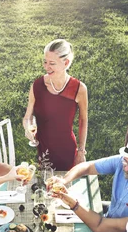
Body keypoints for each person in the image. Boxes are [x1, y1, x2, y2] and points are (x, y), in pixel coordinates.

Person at [62, 133, 128, 218]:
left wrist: (76, 206)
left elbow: (113, 228)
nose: (126, 168)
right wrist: (63, 181)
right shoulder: (122, 160)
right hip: (108, 216)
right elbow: (87, 167)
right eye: (125, 162)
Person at [23, 38, 88, 170]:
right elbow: (28, 117)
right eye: (45, 62)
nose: (46, 67)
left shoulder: (79, 88)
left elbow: (83, 120)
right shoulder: (37, 85)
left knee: (63, 187)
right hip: (43, 148)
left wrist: (81, 151)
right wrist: (27, 128)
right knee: (46, 183)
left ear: (66, 63)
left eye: (52, 63)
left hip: (66, 150)